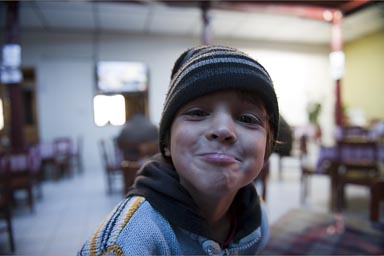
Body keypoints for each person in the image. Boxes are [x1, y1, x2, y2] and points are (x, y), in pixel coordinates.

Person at [78, 45, 279, 255]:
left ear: (267, 144)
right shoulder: (126, 242)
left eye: (247, 119)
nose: (222, 129)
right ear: (166, 141)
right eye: (198, 113)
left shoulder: (256, 219)